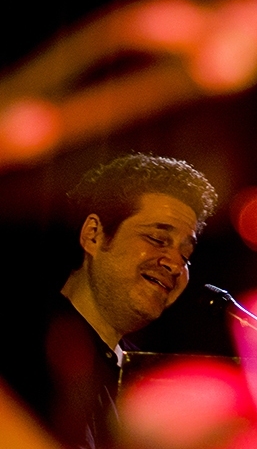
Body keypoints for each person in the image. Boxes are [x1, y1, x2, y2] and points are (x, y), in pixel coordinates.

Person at [0, 153, 218, 449]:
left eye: (186, 255)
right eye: (157, 239)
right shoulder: (22, 349)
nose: (175, 264)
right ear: (93, 235)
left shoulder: (146, 383)